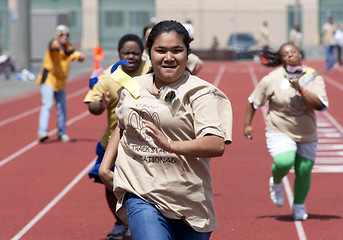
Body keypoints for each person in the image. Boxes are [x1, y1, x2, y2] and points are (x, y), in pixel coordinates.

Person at [99, 20, 233, 240]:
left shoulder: (200, 93)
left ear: (187, 53)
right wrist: (105, 167)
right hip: (141, 192)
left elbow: (216, 144)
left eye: (177, 50)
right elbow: (122, 125)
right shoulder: (134, 87)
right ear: (149, 53)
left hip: (189, 200)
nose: (168, 57)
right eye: (160, 50)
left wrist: (171, 145)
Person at [243, 43, 329, 221]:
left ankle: (299, 206)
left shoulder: (313, 76)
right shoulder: (271, 78)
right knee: (284, 161)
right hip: (279, 128)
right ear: (281, 59)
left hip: (306, 131)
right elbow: (253, 102)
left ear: (300, 53)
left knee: (304, 170)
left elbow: (320, 105)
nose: (290, 56)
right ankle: (275, 181)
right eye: (285, 54)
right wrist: (247, 125)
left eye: (293, 52)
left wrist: (301, 88)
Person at [84, 34, 151, 240]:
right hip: (113, 144)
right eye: (126, 53)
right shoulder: (109, 76)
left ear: (142, 54)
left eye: (135, 53)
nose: (131, 56)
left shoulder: (152, 70)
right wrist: (100, 105)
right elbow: (92, 105)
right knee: (109, 184)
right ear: (119, 54)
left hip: (145, 143)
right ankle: (120, 222)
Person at [36, 25, 86, 143]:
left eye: (67, 35)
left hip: (61, 83)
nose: (65, 37)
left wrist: (81, 57)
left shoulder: (68, 48)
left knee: (62, 108)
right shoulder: (54, 45)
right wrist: (56, 44)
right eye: (62, 35)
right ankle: (42, 132)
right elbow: (53, 45)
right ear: (57, 35)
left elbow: (75, 54)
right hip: (49, 79)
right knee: (47, 105)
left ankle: (61, 133)